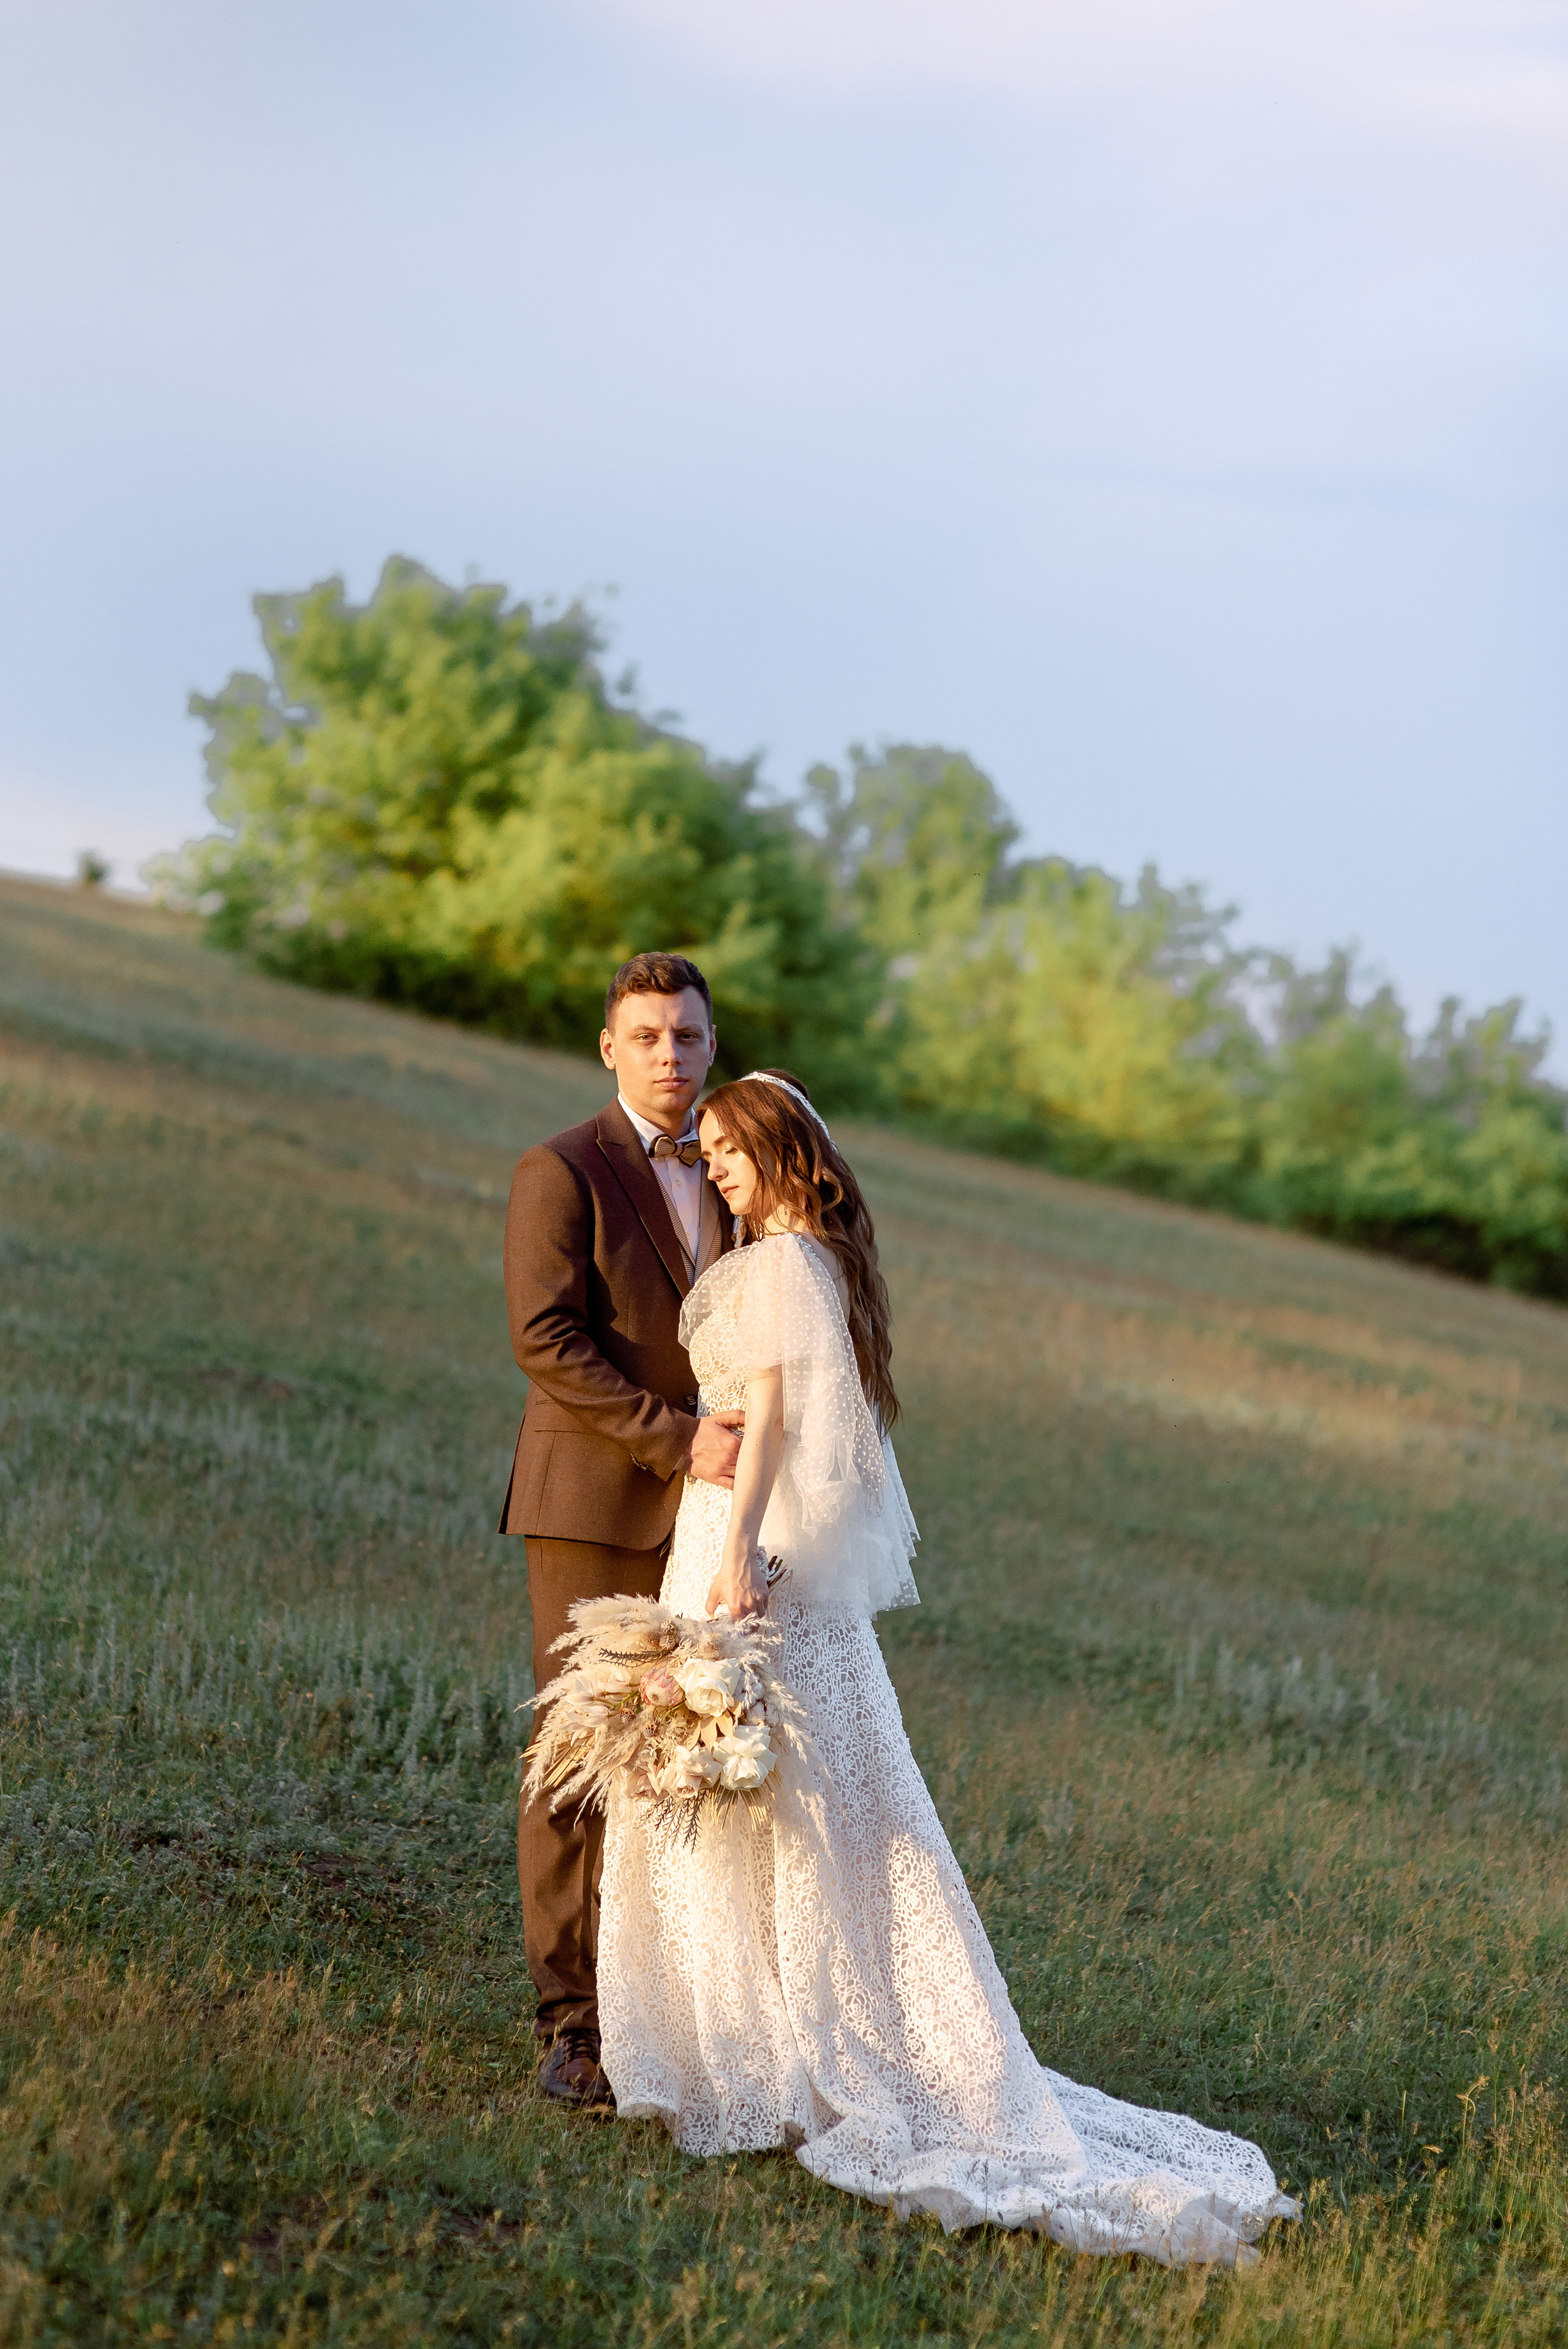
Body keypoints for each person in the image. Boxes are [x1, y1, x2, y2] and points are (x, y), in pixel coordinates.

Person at [596, 1072, 1299, 2264]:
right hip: (748, 1546)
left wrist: (741, 1555)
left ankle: (762, 2053)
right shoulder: (823, 1265)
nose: (713, 1165)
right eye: (704, 1148)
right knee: (797, 1793)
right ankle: (768, 2035)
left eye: (729, 1149)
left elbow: (769, 1420)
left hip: (739, 1543)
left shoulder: (779, 1268)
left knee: (767, 1795)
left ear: (784, 1154)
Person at [501, 952, 741, 2109]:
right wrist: (676, 1438)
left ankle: (673, 2006)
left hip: (712, 1513)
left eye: (687, 1036)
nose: (668, 1055)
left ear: (711, 1043)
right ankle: (572, 2027)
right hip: (596, 1499)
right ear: (609, 1045)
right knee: (582, 1760)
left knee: (687, 1750)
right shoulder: (562, 1169)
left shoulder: (741, 1173)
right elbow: (547, 1339)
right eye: (645, 1035)